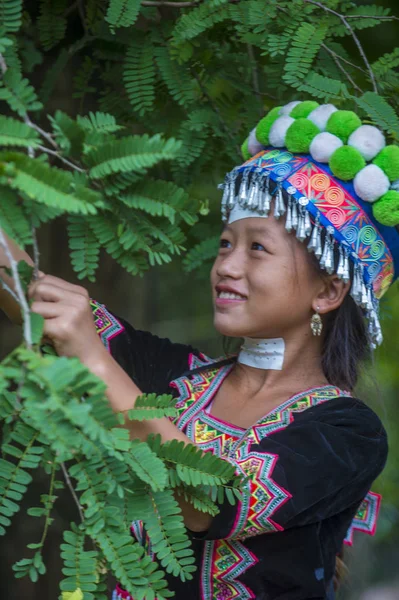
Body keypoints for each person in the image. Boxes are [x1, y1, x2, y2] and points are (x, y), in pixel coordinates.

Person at [0, 99, 397, 600]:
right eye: (226, 243)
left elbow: (207, 502)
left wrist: (94, 359)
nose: (226, 266)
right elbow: (34, 297)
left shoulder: (348, 432)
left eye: (257, 248)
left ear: (328, 292)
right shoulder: (180, 377)